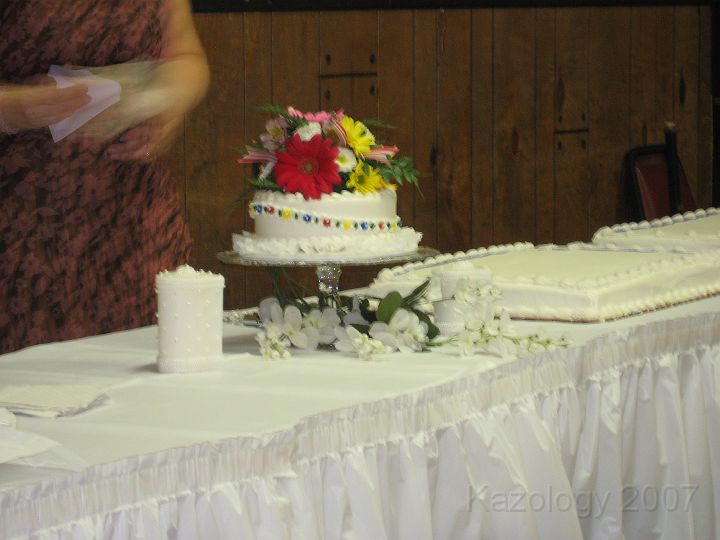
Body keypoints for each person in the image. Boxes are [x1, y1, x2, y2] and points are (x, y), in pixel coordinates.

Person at [0, 0, 210, 353]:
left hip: (134, 223)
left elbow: (188, 59)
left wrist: (162, 103)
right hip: (20, 226)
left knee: (145, 366)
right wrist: (15, 109)